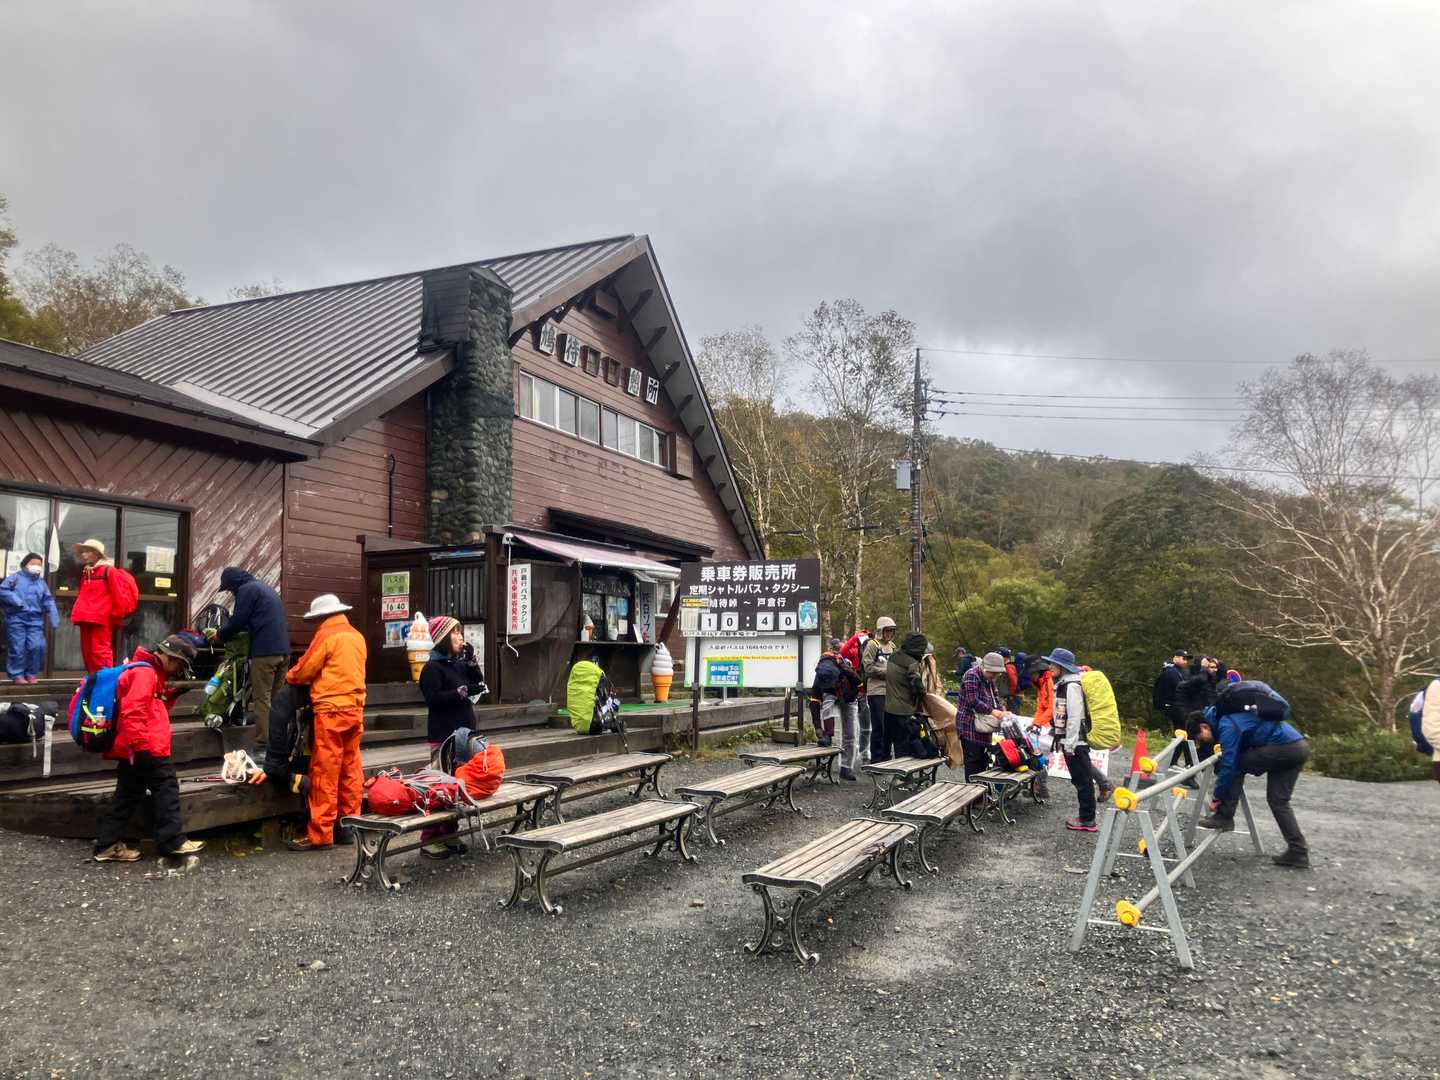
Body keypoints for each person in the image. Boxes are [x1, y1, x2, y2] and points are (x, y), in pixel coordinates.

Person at [92, 634, 207, 862]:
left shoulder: (147, 671)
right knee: (167, 789)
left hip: (136, 746)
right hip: (147, 746)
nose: (178, 670)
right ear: (169, 657)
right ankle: (173, 841)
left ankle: (106, 844)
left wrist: (172, 694)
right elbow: (133, 711)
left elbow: (154, 705)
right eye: (179, 664)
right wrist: (140, 746)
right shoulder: (145, 673)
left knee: (126, 795)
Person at [285, 594, 367, 851]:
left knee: (325, 772)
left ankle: (321, 834)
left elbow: (304, 670)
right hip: (355, 710)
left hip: (330, 711)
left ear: (321, 616)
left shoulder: (326, 635)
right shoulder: (357, 636)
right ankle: (347, 827)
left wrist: (289, 676)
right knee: (350, 770)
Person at [1198, 682, 1311, 867]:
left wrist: (1218, 796)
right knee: (1278, 801)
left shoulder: (1226, 722)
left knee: (1236, 765)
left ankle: (1224, 817)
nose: (1203, 741)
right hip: (1298, 746)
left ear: (1204, 727)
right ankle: (1298, 852)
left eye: (1200, 738)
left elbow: (1229, 764)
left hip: (1283, 747)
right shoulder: (1235, 714)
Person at [418, 614, 486, 858]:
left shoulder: (457, 664)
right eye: (455, 632)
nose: (460, 637)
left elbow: (478, 682)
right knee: (440, 787)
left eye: (460, 632)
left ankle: (449, 832)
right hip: (443, 735)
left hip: (463, 734)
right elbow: (434, 699)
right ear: (443, 638)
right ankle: (429, 838)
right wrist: (461, 692)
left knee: (458, 787)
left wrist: (472, 661)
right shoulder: (432, 668)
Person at [207, 567, 290, 746]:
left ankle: (263, 744)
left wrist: (220, 636)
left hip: (265, 653)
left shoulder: (246, 590)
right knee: (276, 700)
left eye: (229, 588)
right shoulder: (265, 589)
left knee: (262, 699)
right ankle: (279, 742)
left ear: (234, 583)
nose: (230, 592)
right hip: (283, 651)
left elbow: (238, 621)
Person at [1044, 646, 1113, 833]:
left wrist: (1070, 744)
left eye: (1053, 663)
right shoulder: (1066, 683)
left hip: (1075, 742)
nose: (1050, 666)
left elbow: (1074, 716)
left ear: (1061, 666)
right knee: (1081, 779)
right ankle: (1086, 817)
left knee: (1083, 781)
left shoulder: (1072, 686)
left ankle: (1087, 819)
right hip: (1073, 741)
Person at [1, 553, 59, 683]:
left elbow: (48, 600)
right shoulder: (15, 578)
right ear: (25, 564)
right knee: (18, 647)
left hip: (35, 620)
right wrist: (18, 601)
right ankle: (17, 675)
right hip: (16, 618)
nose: (36, 566)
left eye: (39, 564)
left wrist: (54, 615)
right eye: (33, 563)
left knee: (37, 646)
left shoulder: (41, 583)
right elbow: (3, 590)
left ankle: (31, 673)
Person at [69, 539, 120, 673]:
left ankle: (105, 681)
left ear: (96, 554)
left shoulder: (109, 571)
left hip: (101, 618)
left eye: (87, 551)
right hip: (85, 617)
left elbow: (118, 595)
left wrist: (115, 616)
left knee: (100, 652)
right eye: (83, 552)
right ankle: (94, 679)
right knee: (88, 652)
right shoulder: (87, 571)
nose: (83, 555)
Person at [956, 651, 1009, 779]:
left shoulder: (990, 679)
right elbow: (972, 700)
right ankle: (972, 788)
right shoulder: (971, 675)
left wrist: (1002, 711)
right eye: (993, 673)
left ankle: (981, 788)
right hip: (969, 724)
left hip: (983, 726)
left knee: (983, 759)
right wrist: (993, 711)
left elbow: (996, 698)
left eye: (997, 673)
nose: (994, 676)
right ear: (985, 668)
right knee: (973, 761)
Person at [883, 632, 930, 759]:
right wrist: (924, 695)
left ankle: (888, 766)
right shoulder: (911, 662)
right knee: (904, 746)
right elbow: (916, 683)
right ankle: (902, 771)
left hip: (889, 708)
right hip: (904, 710)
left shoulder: (893, 656)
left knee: (891, 743)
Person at [861, 616, 897, 760]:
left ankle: (886, 757)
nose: (889, 634)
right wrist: (888, 673)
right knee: (879, 726)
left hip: (891, 692)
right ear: (881, 631)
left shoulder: (892, 646)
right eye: (887, 631)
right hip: (876, 691)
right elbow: (868, 668)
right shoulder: (873, 645)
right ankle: (876, 759)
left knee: (889, 726)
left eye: (892, 631)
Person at [839, 627, 872, 763]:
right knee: (853, 725)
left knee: (866, 726)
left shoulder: (872, 649)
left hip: (867, 691)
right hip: (854, 692)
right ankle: (853, 751)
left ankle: (865, 751)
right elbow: (842, 652)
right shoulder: (852, 649)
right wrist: (854, 637)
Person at [566, 653, 618, 735]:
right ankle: (609, 722)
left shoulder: (576, 683)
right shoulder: (596, 676)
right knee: (615, 703)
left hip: (579, 727)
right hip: (594, 726)